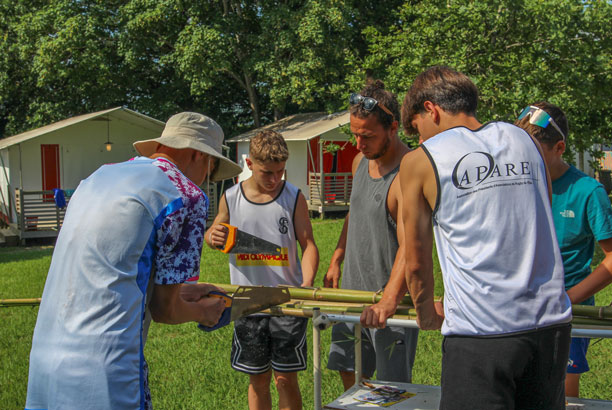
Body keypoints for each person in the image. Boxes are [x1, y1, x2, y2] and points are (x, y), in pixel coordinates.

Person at [25, 112, 242, 410]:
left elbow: (116, 269)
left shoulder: (98, 177)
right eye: (211, 166)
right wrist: (206, 312)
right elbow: (166, 310)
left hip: (46, 358)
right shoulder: (186, 195)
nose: (206, 178)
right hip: (107, 366)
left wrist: (186, 292)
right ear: (198, 155)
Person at [399, 66, 573, 409]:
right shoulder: (526, 140)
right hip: (550, 327)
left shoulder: (420, 160)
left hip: (480, 334)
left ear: (431, 109)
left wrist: (426, 315)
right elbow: (542, 212)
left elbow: (416, 261)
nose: (419, 141)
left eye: (418, 129)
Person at [205, 130, 319, 410]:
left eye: (281, 171)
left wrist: (306, 283)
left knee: (285, 379)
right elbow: (214, 233)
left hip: (287, 301)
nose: (275, 179)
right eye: (268, 172)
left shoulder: (293, 197)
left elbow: (309, 245)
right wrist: (212, 237)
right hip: (247, 302)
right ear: (249, 163)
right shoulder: (231, 197)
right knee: (257, 380)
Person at [324, 80, 418, 390]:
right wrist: (338, 256)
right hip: (352, 293)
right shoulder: (359, 162)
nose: (358, 144)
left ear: (393, 128)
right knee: (351, 381)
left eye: (367, 136)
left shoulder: (409, 172)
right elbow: (356, 211)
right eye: (354, 134)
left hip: (390, 303)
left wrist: (390, 299)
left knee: (393, 389)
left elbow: (412, 244)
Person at [515, 102, 612, 398]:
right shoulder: (515, 185)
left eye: (535, 154)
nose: (525, 162)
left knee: (562, 395)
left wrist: (568, 299)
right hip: (517, 306)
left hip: (566, 310)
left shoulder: (588, 192)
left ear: (559, 147)